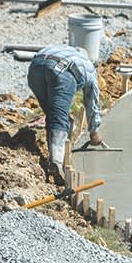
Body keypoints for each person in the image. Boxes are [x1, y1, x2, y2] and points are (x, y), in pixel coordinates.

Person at [27, 44, 103, 184]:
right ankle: (56, 162)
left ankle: (55, 154)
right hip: (63, 72)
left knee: (53, 114)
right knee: (59, 118)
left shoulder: (62, 49)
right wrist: (94, 132)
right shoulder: (88, 66)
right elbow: (92, 102)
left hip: (35, 67)